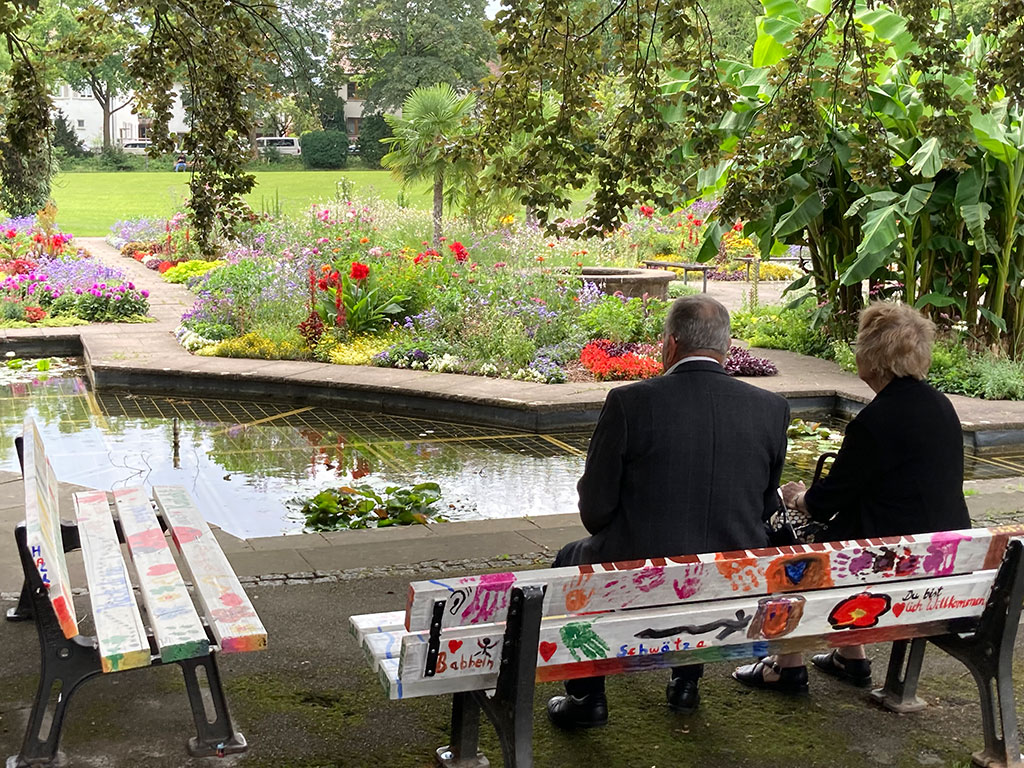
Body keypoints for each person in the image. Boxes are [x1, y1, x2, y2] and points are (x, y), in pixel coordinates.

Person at [546, 294, 791, 729]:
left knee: (572, 559)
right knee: (706, 548)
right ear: (725, 346)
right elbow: (767, 504)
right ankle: (685, 684)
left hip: (639, 575)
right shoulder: (771, 409)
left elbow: (596, 512)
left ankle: (587, 698)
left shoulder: (630, 402)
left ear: (670, 345)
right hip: (732, 580)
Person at [733, 301, 970, 691]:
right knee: (855, 536)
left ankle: (786, 664)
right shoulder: (941, 407)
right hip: (944, 559)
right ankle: (850, 656)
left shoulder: (876, 421)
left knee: (778, 531)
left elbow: (825, 502)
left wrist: (796, 497)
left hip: (887, 563)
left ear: (873, 359)